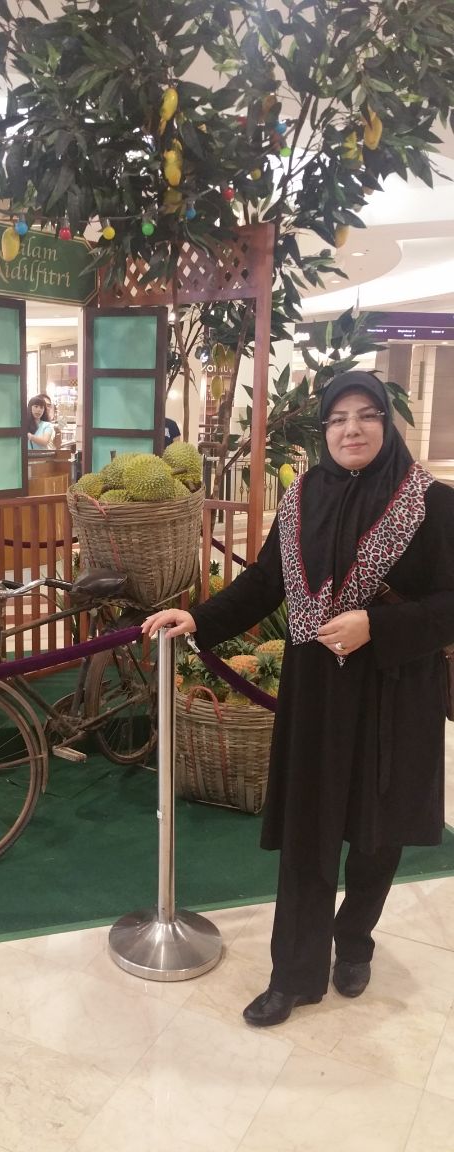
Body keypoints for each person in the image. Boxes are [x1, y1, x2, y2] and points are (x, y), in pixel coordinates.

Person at [144, 370, 454, 1027]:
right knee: (309, 832)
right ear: (324, 429)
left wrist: (378, 626)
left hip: (396, 691)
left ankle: (355, 940)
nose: (351, 429)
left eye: (366, 415)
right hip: (318, 689)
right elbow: (266, 581)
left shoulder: (434, 503)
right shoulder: (303, 497)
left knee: (377, 831)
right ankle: (294, 974)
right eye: (338, 418)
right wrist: (200, 617)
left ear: (387, 422)